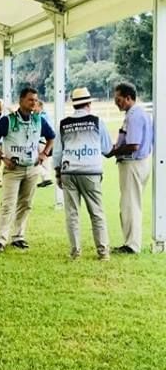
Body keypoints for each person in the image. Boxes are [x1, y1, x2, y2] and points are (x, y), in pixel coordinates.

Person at [0, 86, 55, 252]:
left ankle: (18, 237)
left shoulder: (39, 120)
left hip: (32, 168)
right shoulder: (8, 120)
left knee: (26, 204)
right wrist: (3, 157)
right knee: (8, 205)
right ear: (21, 101)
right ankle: (0, 239)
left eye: (36, 100)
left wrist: (44, 154)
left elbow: (51, 137)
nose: (33, 103)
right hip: (13, 170)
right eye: (30, 99)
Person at [54, 86, 111, 260]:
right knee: (96, 212)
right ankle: (103, 252)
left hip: (69, 171)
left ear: (74, 105)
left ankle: (76, 251)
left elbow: (57, 152)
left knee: (72, 213)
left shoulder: (64, 124)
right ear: (88, 104)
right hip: (91, 171)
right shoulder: (97, 122)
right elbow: (107, 148)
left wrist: (58, 173)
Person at [105, 81, 152, 254]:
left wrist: (113, 151)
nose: (116, 103)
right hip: (140, 163)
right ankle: (131, 242)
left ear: (128, 98)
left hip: (133, 163)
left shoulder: (134, 116)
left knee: (130, 205)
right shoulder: (139, 114)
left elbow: (133, 145)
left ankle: (132, 245)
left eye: (118, 99)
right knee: (131, 203)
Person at [33, 98, 54, 188]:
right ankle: (46, 179)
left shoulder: (41, 117)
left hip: (41, 141)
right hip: (46, 141)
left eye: (35, 106)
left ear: (40, 107)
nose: (33, 108)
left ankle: (46, 177)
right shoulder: (46, 115)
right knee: (45, 162)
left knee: (34, 162)